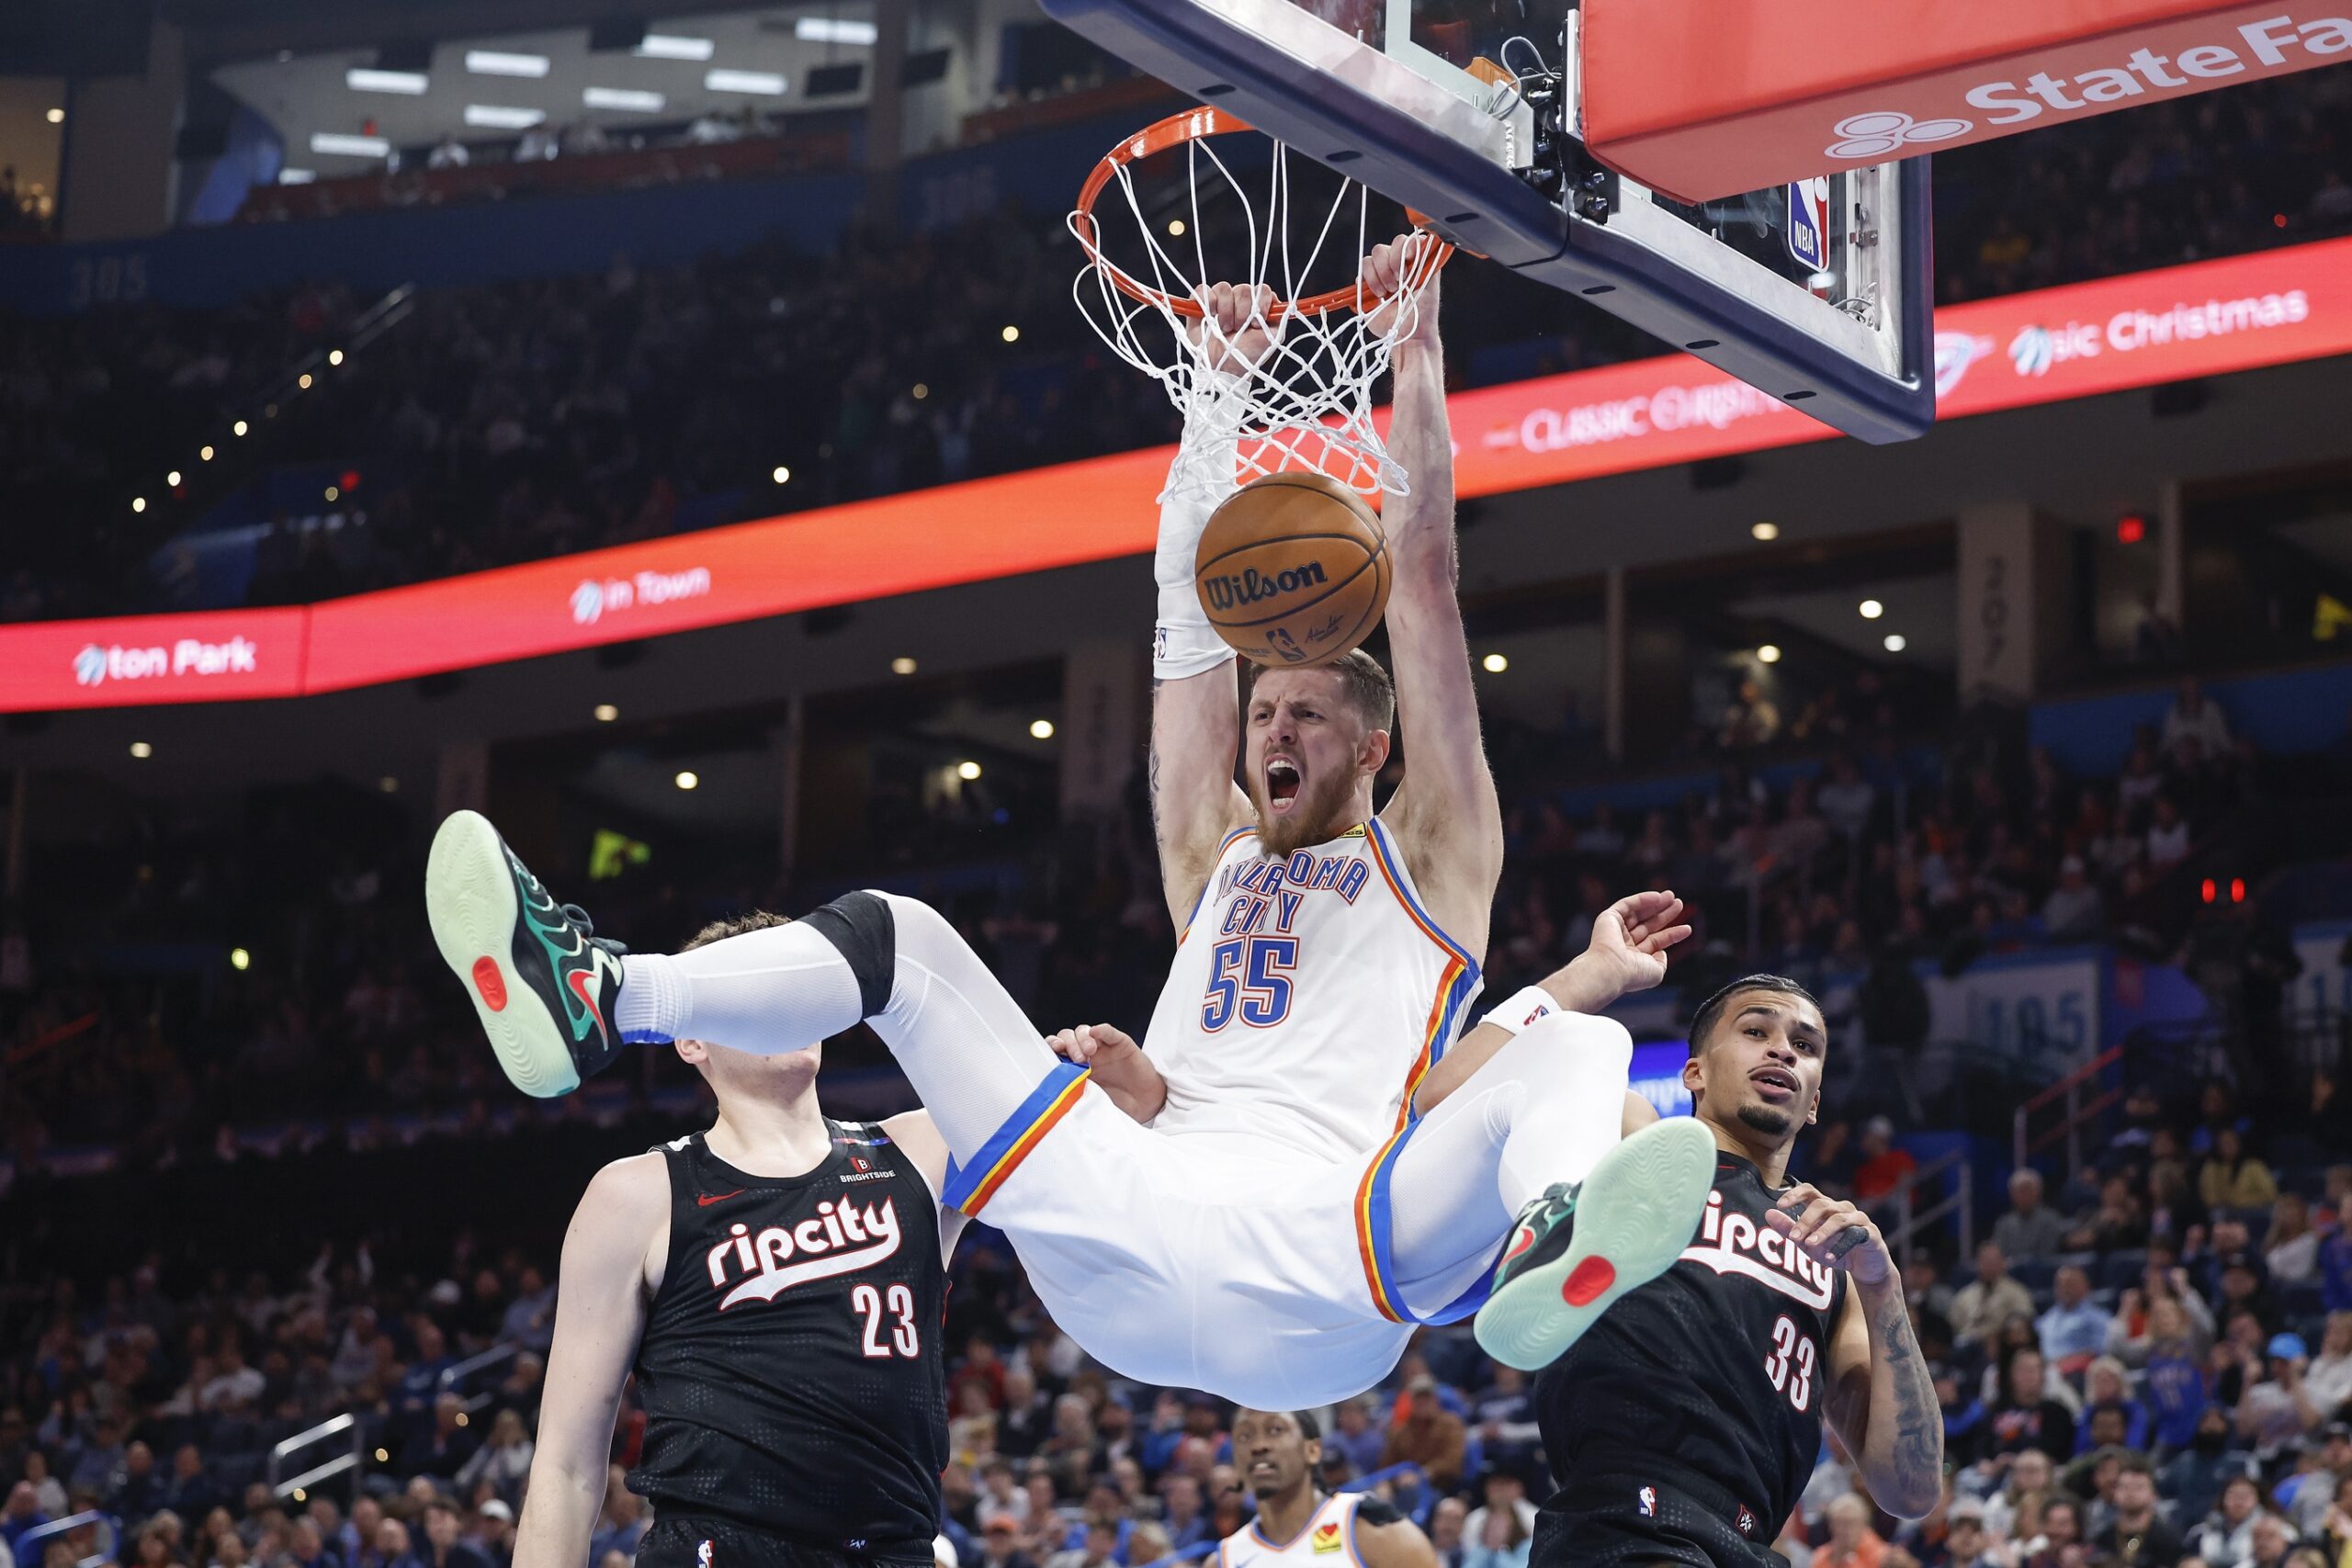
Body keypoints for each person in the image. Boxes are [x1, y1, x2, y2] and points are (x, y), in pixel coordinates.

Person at [426, 242, 1712, 1404]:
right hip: (1131, 1223)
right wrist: (1216, 393)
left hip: (1339, 1242)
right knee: (901, 938)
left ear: (1376, 746)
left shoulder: (1435, 853)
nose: (1273, 731)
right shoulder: (1211, 860)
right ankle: (602, 991)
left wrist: (1415, 355)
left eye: (1310, 715)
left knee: (1582, 1049)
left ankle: (1556, 1225)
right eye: (1265, 711)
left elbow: (1422, 575)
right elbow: (1181, 636)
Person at [507, 913, 973, 1568]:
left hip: (894, 1552)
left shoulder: (924, 1148)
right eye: (753, 991)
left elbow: (1092, 1120)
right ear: (690, 1037)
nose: (782, 1007)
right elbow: (565, 1465)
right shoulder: (636, 1195)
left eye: (796, 986)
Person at [1528, 976, 1945, 1568]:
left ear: (1816, 1100)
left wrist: (1884, 1291)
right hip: (1625, 1523)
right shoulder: (1640, 1138)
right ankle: (1529, 1239)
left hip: (1746, 1547)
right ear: (1694, 1072)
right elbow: (1498, 1075)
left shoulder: (1835, 1264)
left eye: (1805, 1046)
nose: (1782, 1050)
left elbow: (1912, 1490)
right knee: (1593, 1048)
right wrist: (1592, 973)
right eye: (1756, 1031)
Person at [1221, 1410, 1439, 1568]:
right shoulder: (1226, 1558)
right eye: (1244, 1436)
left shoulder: (1372, 1529)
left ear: (1313, 1450)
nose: (1258, 1446)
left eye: (1276, 1430)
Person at [2091, 1454, 2183, 1567]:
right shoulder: (2103, 1538)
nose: (2130, 1493)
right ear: (2115, 1493)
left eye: (2138, 1487)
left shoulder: (2168, 1540)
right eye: (2124, 1486)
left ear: (2153, 1495)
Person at [1949, 1245, 2036, 1348]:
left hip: (2000, 1349)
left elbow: (2024, 1325)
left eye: (1993, 1261)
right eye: (1985, 1261)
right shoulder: (1965, 1295)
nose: (1989, 1266)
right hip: (1965, 1347)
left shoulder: (2017, 1293)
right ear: (1978, 1264)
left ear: (2004, 1263)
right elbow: (1952, 1326)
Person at [1993, 1171, 2068, 1263]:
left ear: (2038, 1192)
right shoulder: (2004, 1223)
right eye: (2020, 1191)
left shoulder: (2051, 1219)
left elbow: (2047, 1254)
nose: (2023, 1195)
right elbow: (2000, 1255)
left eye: (2027, 1190)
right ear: (2012, 1194)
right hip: (2009, 1274)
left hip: (2042, 1272)